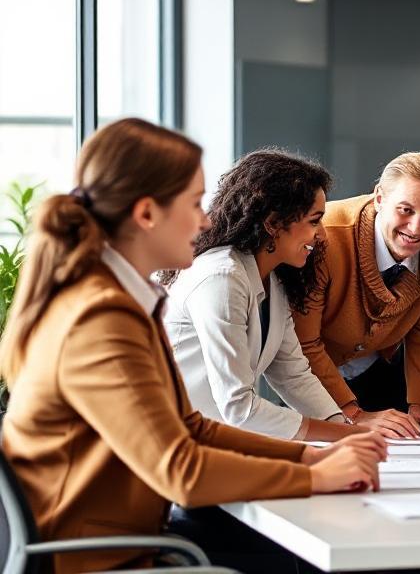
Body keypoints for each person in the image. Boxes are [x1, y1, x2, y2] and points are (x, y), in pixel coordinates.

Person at [0, 118, 386, 574]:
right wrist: (314, 476)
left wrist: (309, 455)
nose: (205, 220)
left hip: (126, 545)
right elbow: (180, 471)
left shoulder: (124, 302)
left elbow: (191, 427)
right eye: (194, 203)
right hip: (94, 561)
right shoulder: (100, 316)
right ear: (147, 214)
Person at [164, 149, 368, 442]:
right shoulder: (221, 278)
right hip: (170, 441)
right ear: (273, 223)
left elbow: (293, 374)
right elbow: (239, 407)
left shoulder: (272, 279)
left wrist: (344, 428)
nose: (323, 235)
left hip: (211, 440)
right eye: (314, 221)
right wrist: (342, 435)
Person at [293, 152, 420, 438]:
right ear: (379, 198)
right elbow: (305, 344)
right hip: (312, 376)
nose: (416, 228)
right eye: (405, 210)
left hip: (381, 367)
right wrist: (353, 413)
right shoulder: (324, 237)